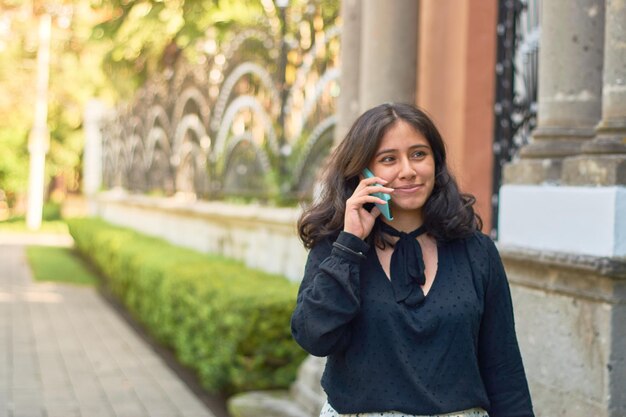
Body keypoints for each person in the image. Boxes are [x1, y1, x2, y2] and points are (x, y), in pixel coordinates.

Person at [290, 103, 534, 417]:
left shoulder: (477, 251)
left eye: (419, 154)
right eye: (388, 159)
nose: (408, 170)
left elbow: (504, 368)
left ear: (436, 162)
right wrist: (350, 244)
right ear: (363, 170)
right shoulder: (336, 247)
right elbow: (314, 336)